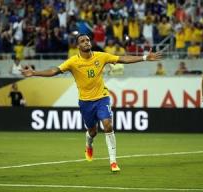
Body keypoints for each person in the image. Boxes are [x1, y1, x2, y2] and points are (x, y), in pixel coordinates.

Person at [21, 34, 161, 172]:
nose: (86, 42)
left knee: (108, 125)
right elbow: (54, 71)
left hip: (102, 97)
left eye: (88, 40)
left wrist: (144, 57)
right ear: (78, 46)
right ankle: (89, 144)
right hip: (85, 102)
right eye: (82, 41)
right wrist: (34, 73)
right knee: (93, 131)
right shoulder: (73, 62)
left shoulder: (101, 56)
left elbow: (122, 59)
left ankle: (113, 161)